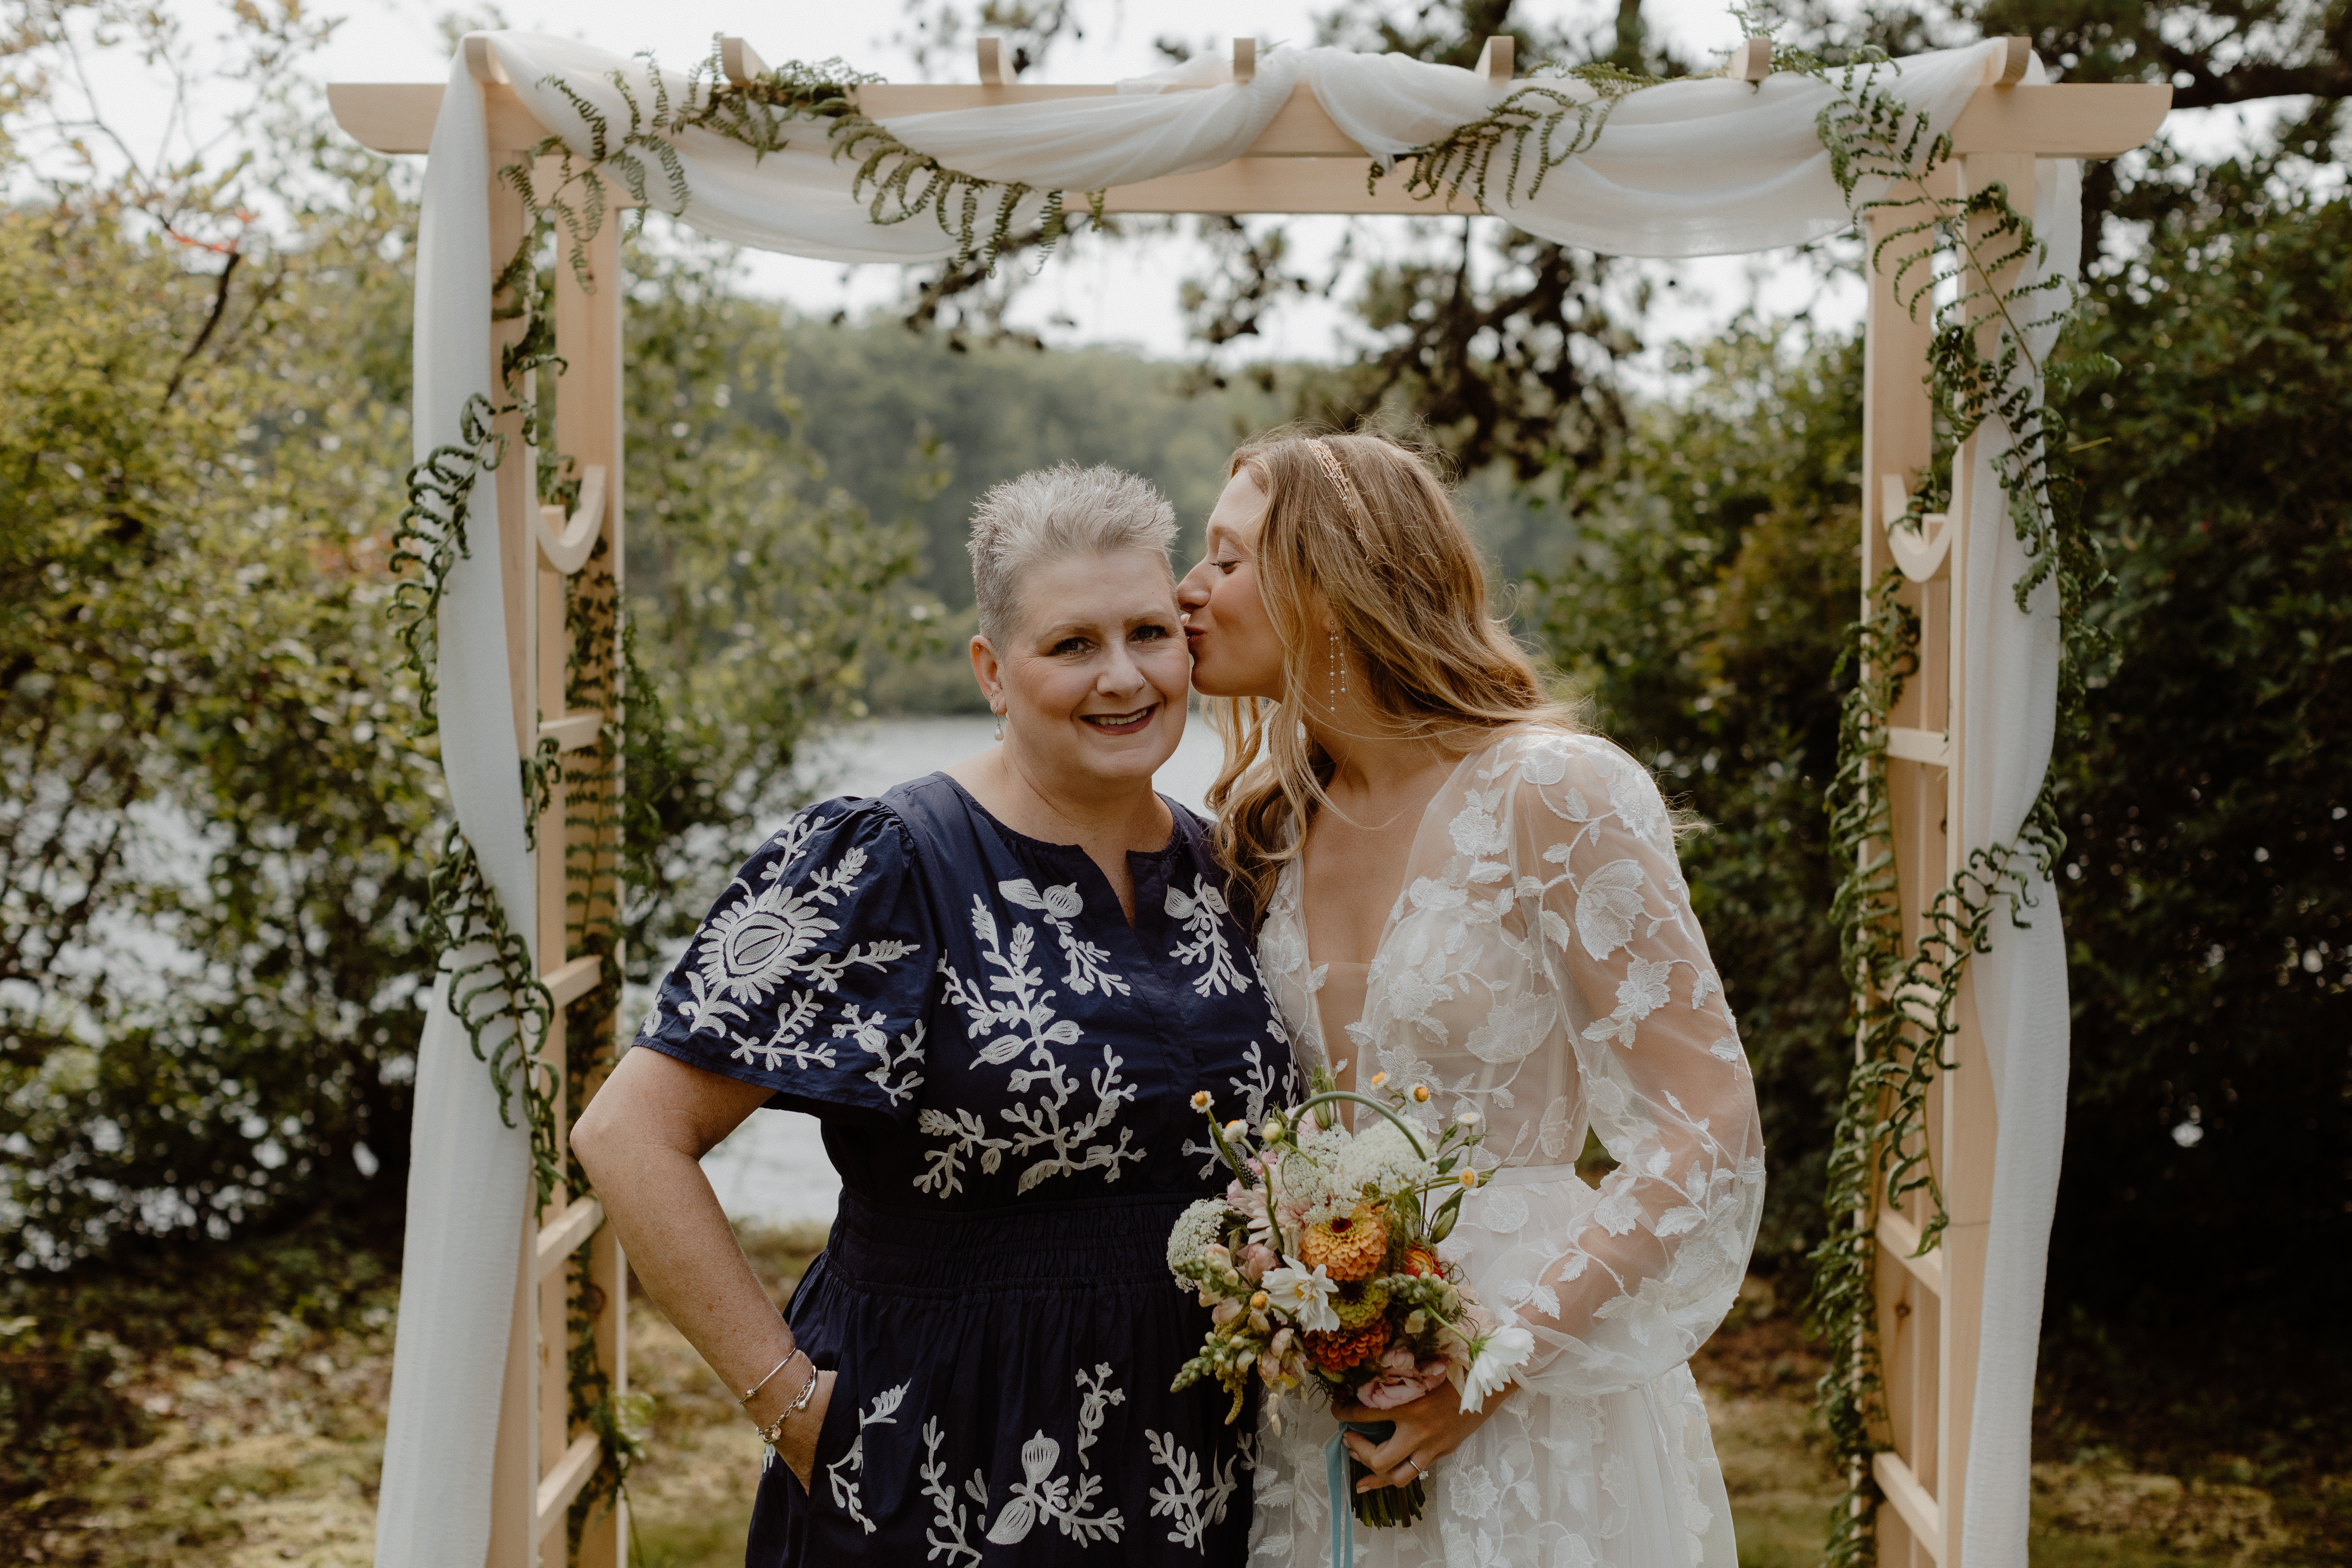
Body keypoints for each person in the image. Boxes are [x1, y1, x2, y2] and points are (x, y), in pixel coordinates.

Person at [576, 463, 1291, 1564]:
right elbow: (628, 1134)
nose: (1123, 678)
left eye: (1150, 632)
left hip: (1202, 1465)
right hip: (941, 1466)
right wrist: (795, 1409)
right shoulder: (888, 862)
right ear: (992, 672)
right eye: (1071, 645)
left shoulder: (1230, 865)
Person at [1175, 430, 1764, 1568]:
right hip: (1329, 1387)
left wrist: (1498, 1364)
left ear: (1330, 583)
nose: (1187, 594)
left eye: (1226, 559)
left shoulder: (1554, 793)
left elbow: (1704, 1121)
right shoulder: (1267, 824)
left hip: (1535, 1375)